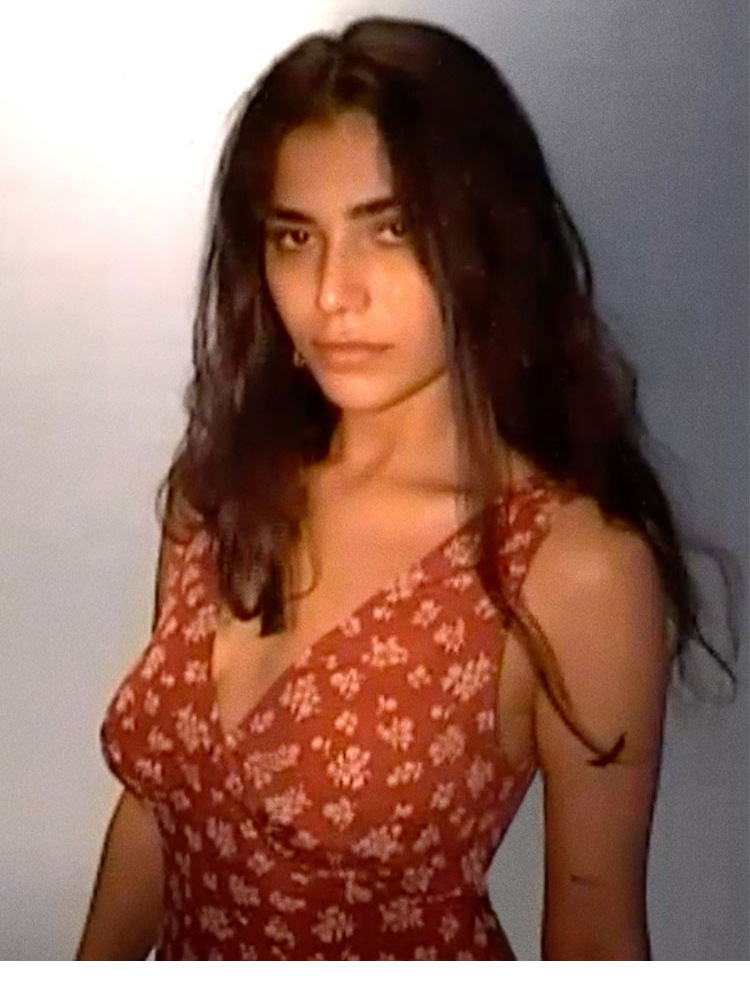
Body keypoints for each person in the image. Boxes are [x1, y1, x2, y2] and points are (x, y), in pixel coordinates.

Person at [76, 15, 735, 960]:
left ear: (487, 241)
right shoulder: (222, 490)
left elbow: (595, 936)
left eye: (389, 230)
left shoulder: (571, 565)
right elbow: (160, 806)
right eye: (295, 238)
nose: (332, 293)